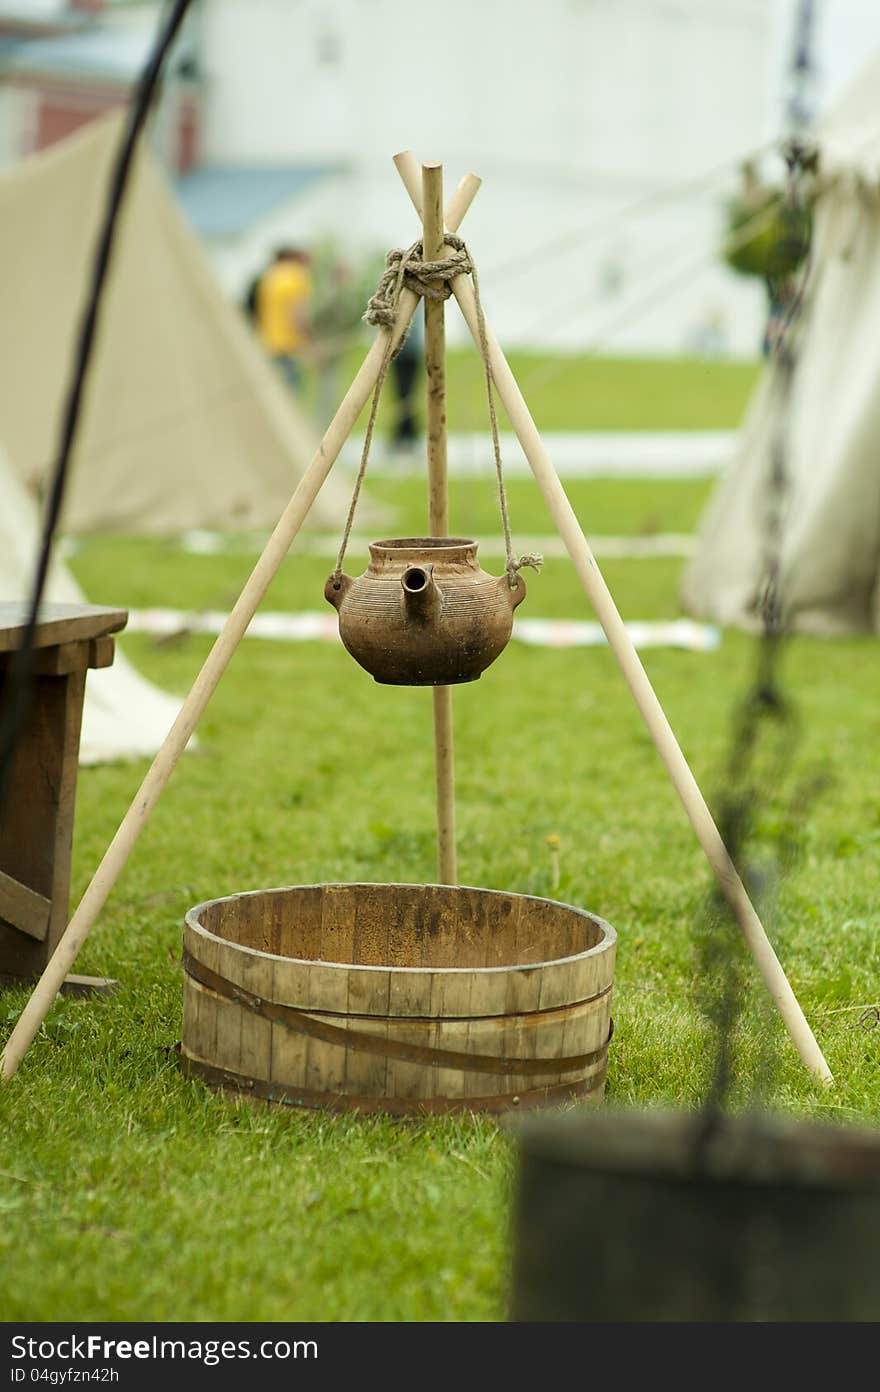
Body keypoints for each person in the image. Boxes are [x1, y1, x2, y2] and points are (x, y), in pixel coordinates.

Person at [254, 247, 313, 392]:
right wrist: (309, 343)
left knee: (276, 391)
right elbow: (298, 315)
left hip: (268, 343)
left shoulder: (268, 278)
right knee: (292, 391)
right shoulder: (296, 276)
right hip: (289, 344)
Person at [389, 301, 424, 450]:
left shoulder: (412, 299)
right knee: (402, 393)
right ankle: (405, 431)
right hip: (401, 352)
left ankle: (408, 432)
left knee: (407, 393)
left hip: (410, 352)